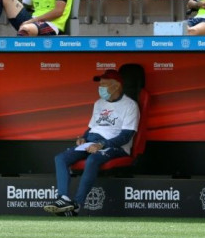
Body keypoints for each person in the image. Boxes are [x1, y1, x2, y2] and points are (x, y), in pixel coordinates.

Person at [44, 69, 139, 216]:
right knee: (60, 158)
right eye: (100, 85)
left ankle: (77, 204)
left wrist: (102, 145)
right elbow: (92, 127)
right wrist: (84, 138)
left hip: (114, 146)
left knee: (93, 159)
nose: (100, 88)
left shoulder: (130, 105)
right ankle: (63, 198)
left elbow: (126, 136)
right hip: (92, 141)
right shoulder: (99, 103)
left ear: (117, 86)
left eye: (104, 85)